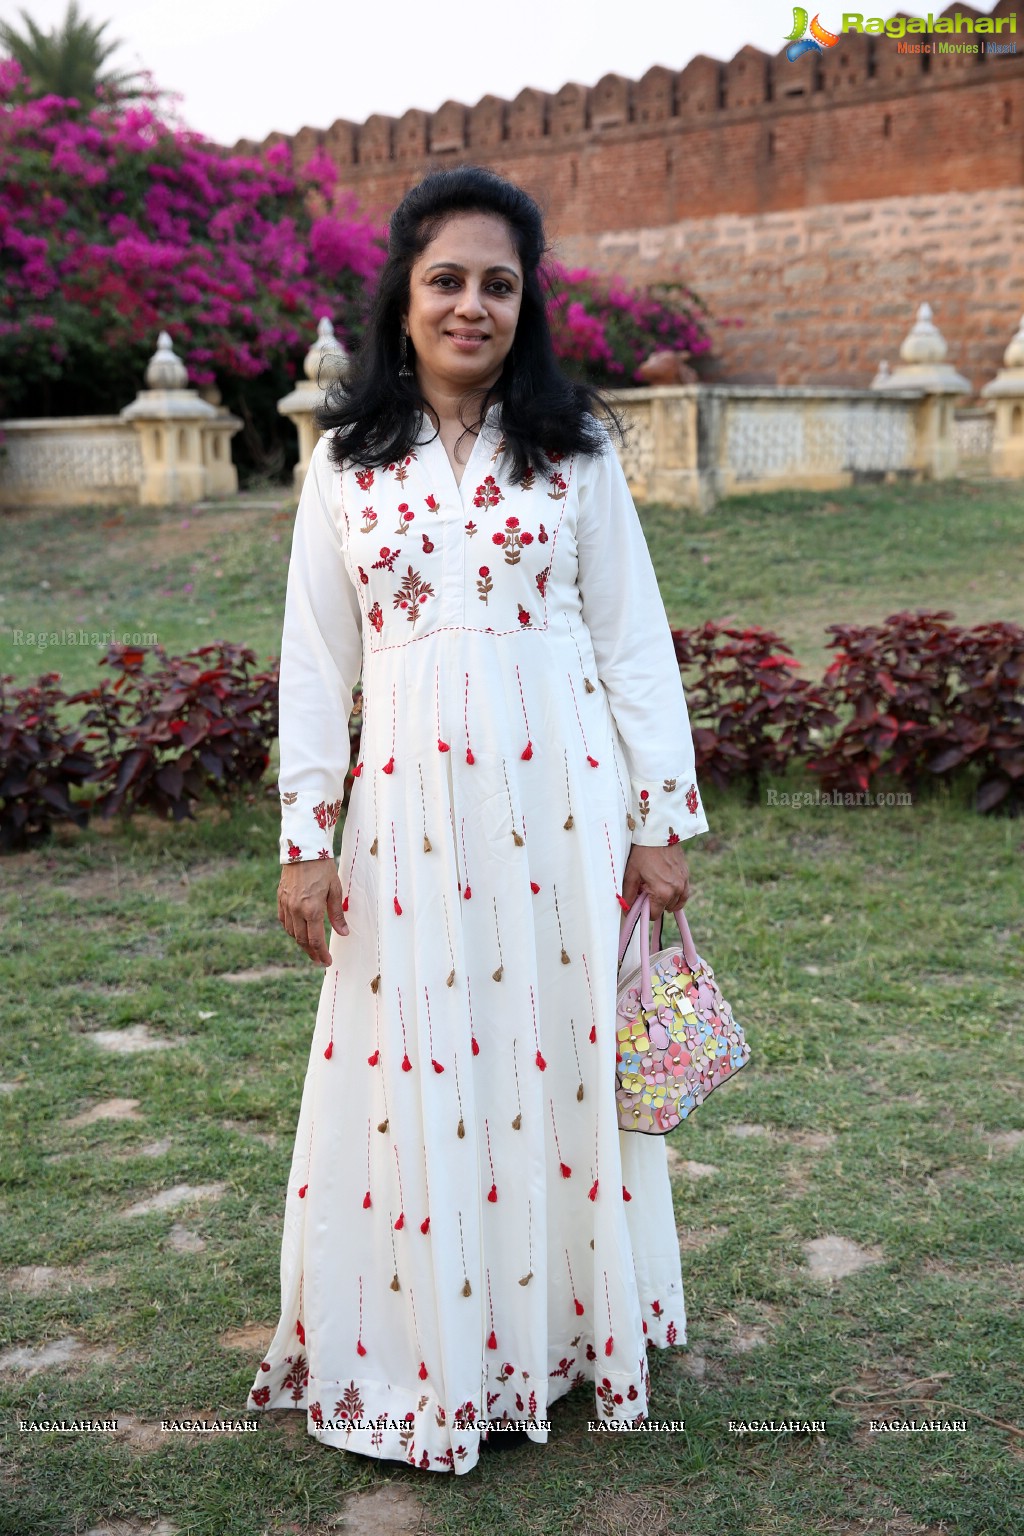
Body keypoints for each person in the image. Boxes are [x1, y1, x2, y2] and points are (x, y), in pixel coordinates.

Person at [246, 165, 710, 1475]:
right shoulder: (347, 461)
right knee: (415, 1064)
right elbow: (313, 660)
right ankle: (424, 1337)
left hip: (561, 806)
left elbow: (629, 640)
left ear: (526, 305)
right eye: (446, 279)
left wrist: (660, 818)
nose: (471, 304)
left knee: (554, 1049)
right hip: (405, 822)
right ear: (401, 297)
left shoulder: (573, 450)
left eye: (498, 284)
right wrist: (304, 839)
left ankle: (565, 1329)